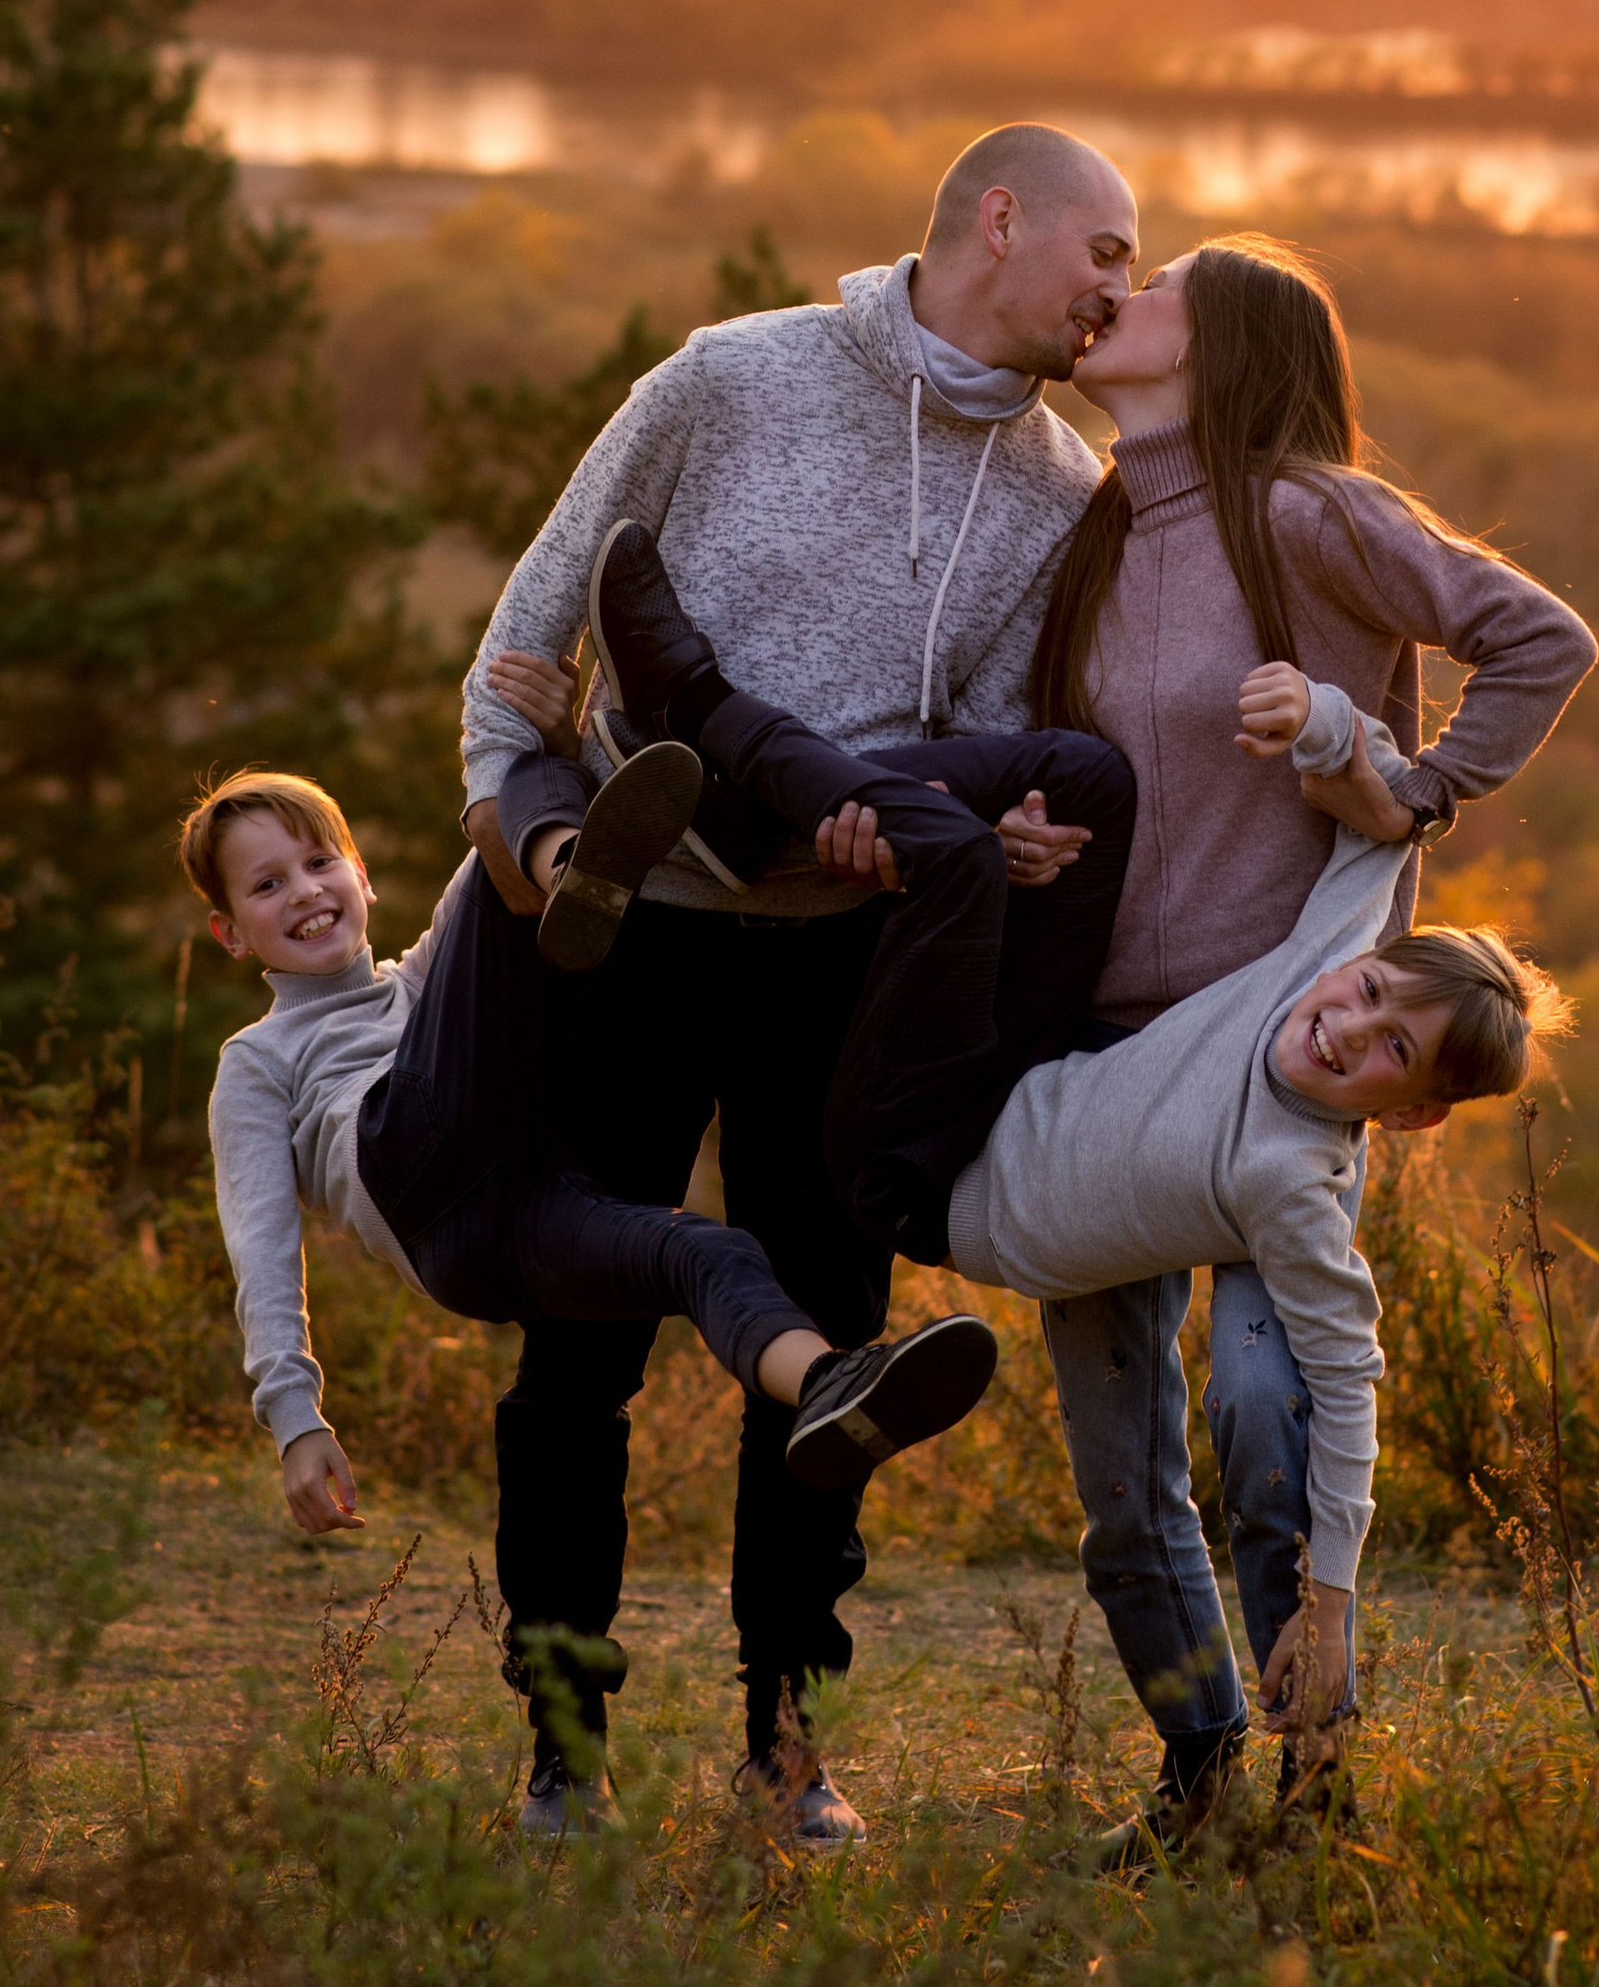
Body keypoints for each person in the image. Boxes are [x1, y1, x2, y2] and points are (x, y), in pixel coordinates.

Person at [587, 521, 1565, 1798]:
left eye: (1391, 1054)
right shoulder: (1308, 977)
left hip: (921, 1171)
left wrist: (1328, 1602)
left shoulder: (1291, 1179)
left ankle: (701, 709)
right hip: (1013, 1078)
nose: (1344, 1030)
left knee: (946, 860)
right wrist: (1323, 715)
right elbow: (1381, 834)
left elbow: (1346, 1384)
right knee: (1087, 781)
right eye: (1370, 990)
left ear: (1412, 1117)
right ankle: (759, 816)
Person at [455, 121, 1142, 1848]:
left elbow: (963, 748)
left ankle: (787, 1751)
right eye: (1109, 252)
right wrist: (534, 853)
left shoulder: (1064, 494)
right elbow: (531, 641)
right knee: (577, 1353)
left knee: (829, 1361)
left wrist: (906, 840)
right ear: (1003, 221)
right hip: (630, 925)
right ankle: (561, 1752)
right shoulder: (728, 380)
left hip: (840, 955)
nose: (1123, 292)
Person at [1027, 232, 1599, 1854]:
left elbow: (1542, 638)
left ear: (1213, 356)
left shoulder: (1309, 512)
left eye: (1151, 300)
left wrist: (1419, 790)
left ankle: (1320, 1786)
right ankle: (1202, 1775)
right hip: (1107, 1055)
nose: (1113, 307)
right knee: (1125, 1474)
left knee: (1268, 1421)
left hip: (1290, 1049)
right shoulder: (1099, 522)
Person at [182, 752, 1004, 1838]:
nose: (305, 891)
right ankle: (572, 851)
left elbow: (454, 949)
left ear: (365, 874)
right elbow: (260, 1238)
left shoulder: (418, 984)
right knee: (497, 871)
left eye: (320, 859)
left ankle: (830, 1382)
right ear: (229, 934)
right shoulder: (263, 1058)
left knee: (700, 1255)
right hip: (418, 1170)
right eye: (267, 884)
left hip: (525, 1217)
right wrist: (295, 1416)